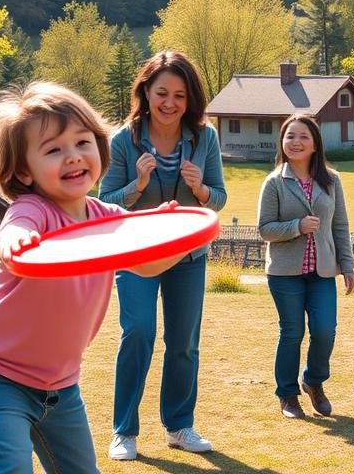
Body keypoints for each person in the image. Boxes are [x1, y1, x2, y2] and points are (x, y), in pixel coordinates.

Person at [0, 82, 183, 473]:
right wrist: (17, 243)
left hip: (61, 387)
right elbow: (12, 232)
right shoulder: (34, 211)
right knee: (9, 467)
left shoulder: (105, 217)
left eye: (82, 143)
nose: (73, 157)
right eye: (53, 150)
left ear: (99, 145)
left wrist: (173, 236)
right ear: (23, 172)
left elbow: (147, 262)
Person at [101, 52, 227, 461]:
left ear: (190, 99)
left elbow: (218, 197)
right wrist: (137, 185)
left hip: (188, 257)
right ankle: (124, 431)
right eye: (161, 93)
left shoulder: (204, 138)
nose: (169, 103)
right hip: (136, 254)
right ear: (145, 93)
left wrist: (203, 190)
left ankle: (179, 426)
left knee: (184, 342)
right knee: (138, 332)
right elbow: (105, 203)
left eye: (179, 94)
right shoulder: (124, 140)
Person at [257, 114, 354, 420]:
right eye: (290, 137)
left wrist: (348, 265)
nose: (296, 142)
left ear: (315, 143)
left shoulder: (332, 180)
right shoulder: (274, 183)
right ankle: (287, 394)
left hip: (323, 272)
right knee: (292, 331)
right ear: (282, 143)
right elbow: (265, 229)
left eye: (303, 137)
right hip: (285, 274)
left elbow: (340, 226)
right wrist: (297, 226)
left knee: (326, 330)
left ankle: (313, 380)